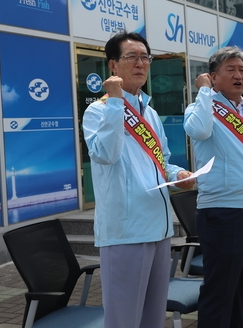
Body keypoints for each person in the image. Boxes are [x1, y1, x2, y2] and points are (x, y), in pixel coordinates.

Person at [82, 31, 194, 328]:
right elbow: (105, 153)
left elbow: (162, 161)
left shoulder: (151, 113)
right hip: (125, 231)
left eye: (145, 57)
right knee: (123, 319)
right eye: (132, 57)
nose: (141, 63)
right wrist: (117, 102)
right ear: (113, 66)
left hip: (159, 228)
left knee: (153, 318)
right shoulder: (98, 111)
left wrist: (178, 174)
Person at [184, 46, 243, 328]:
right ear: (213, 76)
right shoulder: (199, 108)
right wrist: (204, 91)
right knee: (220, 290)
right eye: (230, 69)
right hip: (223, 212)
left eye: (242, 70)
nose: (238, 75)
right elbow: (200, 131)